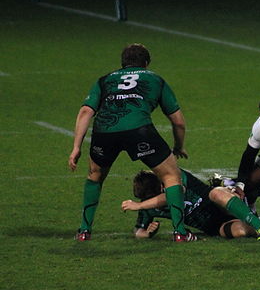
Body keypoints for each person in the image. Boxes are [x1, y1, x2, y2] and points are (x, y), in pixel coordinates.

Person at [67, 43, 195, 242]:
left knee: (95, 177)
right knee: (171, 176)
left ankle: (84, 231)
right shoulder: (155, 79)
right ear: (146, 63)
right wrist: (179, 146)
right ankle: (180, 233)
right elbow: (177, 121)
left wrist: (76, 147)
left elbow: (86, 112)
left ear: (122, 63)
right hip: (139, 131)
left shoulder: (104, 80)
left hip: (104, 132)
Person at [121, 169, 260, 240]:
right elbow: (137, 231)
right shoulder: (147, 206)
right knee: (240, 231)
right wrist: (147, 233)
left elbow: (176, 193)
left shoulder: (174, 177)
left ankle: (259, 223)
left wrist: (138, 206)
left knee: (216, 192)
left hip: (217, 203)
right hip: (213, 226)